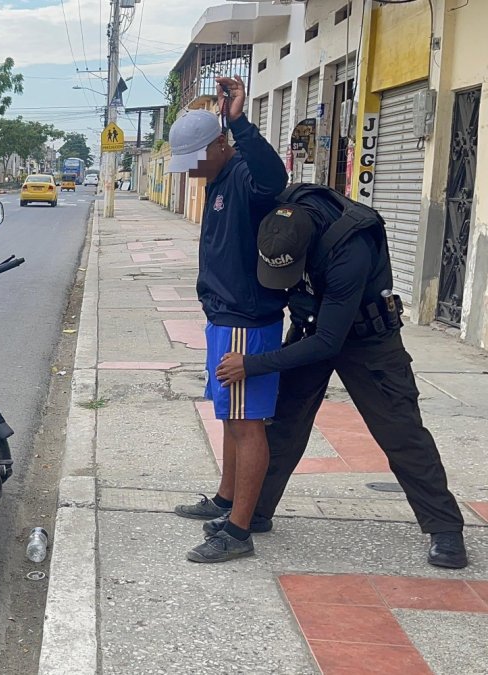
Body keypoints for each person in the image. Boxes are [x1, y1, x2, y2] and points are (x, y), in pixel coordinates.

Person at [212, 184, 468, 569]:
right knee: (282, 423)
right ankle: (257, 510)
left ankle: (445, 528)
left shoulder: (351, 248)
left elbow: (328, 343)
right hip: (313, 326)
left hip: (368, 340)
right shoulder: (279, 219)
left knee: (401, 431)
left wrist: (252, 364)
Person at [166, 77, 289, 563]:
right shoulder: (218, 180)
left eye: (196, 159)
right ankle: (226, 499)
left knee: (246, 423)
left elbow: (274, 178)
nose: (191, 171)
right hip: (224, 317)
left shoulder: (244, 176)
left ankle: (239, 531)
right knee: (231, 417)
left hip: (245, 320)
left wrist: (239, 121)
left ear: (220, 144)